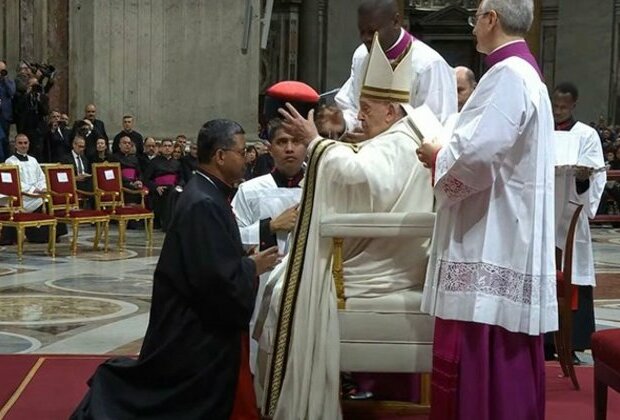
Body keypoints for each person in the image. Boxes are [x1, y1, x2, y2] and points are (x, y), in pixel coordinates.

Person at [258, 34, 434, 419]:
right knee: (281, 283)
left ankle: (289, 401)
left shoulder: (399, 141)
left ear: (391, 111)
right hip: (395, 257)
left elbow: (363, 175)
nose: (359, 116)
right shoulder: (406, 135)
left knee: (288, 286)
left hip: (381, 267)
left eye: (367, 108)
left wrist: (317, 142)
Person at [70, 118, 280, 420]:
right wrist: (250, 267)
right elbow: (212, 281)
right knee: (170, 400)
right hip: (192, 326)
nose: (246, 156)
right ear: (220, 156)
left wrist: (238, 255)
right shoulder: (204, 202)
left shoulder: (205, 191)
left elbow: (206, 257)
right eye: (240, 150)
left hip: (186, 311)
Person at [415, 1, 555, 419]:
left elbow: (478, 155)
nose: (473, 25)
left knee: (484, 354)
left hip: (490, 241)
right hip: (504, 232)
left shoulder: (507, 75)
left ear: (491, 19)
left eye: (475, 16)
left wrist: (436, 154)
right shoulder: (524, 73)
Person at [335, 0, 456, 139]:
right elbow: (352, 105)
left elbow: (437, 129)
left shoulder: (429, 65)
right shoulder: (361, 55)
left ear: (396, 22)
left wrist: (376, 138)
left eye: (372, 32)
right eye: (361, 32)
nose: (365, 38)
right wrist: (343, 123)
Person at [549, 82, 606, 363]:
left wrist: (583, 178)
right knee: (545, 276)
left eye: (564, 107)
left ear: (574, 105)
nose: (558, 112)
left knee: (572, 276)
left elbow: (596, 175)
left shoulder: (587, 135)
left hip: (572, 214)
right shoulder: (543, 132)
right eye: (555, 106)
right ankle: (545, 343)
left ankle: (570, 344)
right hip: (545, 215)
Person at [0, 134, 50, 244]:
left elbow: (41, 177)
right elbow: (14, 182)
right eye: (20, 143)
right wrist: (33, 190)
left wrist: (41, 188)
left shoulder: (33, 160)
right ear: (15, 145)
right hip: (21, 196)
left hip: (36, 194)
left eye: (25, 143)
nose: (23, 145)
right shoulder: (10, 161)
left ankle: (42, 236)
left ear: (29, 144)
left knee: (48, 199)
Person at [143, 138, 183, 231]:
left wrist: (179, 186)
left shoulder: (177, 163)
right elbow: (146, 179)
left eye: (169, 146)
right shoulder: (154, 162)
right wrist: (156, 187)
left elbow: (181, 178)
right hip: (160, 190)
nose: (167, 148)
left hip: (174, 188)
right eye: (165, 146)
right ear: (160, 148)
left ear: (172, 148)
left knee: (175, 193)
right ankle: (167, 225)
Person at [0, 60, 16, 160]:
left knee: (5, 140)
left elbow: (11, 92)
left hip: (5, 116)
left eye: (3, 70)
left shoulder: (9, 82)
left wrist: (4, 79)